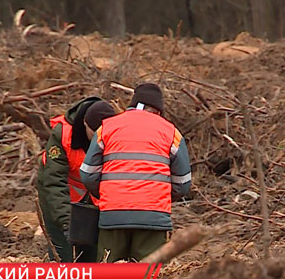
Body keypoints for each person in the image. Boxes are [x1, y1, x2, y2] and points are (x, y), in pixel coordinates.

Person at [81, 83, 192, 262]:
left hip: (113, 215)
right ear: (158, 110)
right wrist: (156, 197)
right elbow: (183, 183)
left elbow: (87, 174)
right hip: (153, 218)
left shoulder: (106, 128)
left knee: (109, 278)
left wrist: (107, 194)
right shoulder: (171, 132)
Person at [37, 98, 118, 262]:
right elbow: (54, 183)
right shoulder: (62, 135)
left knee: (92, 251)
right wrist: (66, 221)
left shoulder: (118, 133)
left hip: (94, 198)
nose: (98, 143)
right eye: (94, 136)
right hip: (57, 195)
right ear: (85, 124)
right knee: (63, 249)